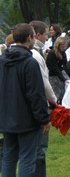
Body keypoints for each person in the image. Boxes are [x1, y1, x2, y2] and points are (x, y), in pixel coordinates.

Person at [0, 23, 50, 176]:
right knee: (27, 159)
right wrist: (44, 118)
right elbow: (36, 94)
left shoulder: (2, 61)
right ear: (29, 37)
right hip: (26, 119)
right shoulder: (29, 63)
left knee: (9, 157)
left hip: (6, 116)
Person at [29, 20, 57, 177]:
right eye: (46, 34)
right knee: (39, 150)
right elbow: (44, 82)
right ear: (36, 35)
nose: (47, 37)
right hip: (38, 105)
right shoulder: (35, 55)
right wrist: (54, 101)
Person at [46, 37, 70, 103]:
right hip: (54, 76)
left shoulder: (63, 53)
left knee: (63, 94)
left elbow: (64, 66)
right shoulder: (52, 53)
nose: (64, 47)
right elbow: (54, 68)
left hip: (61, 74)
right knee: (56, 95)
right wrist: (63, 78)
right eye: (63, 45)